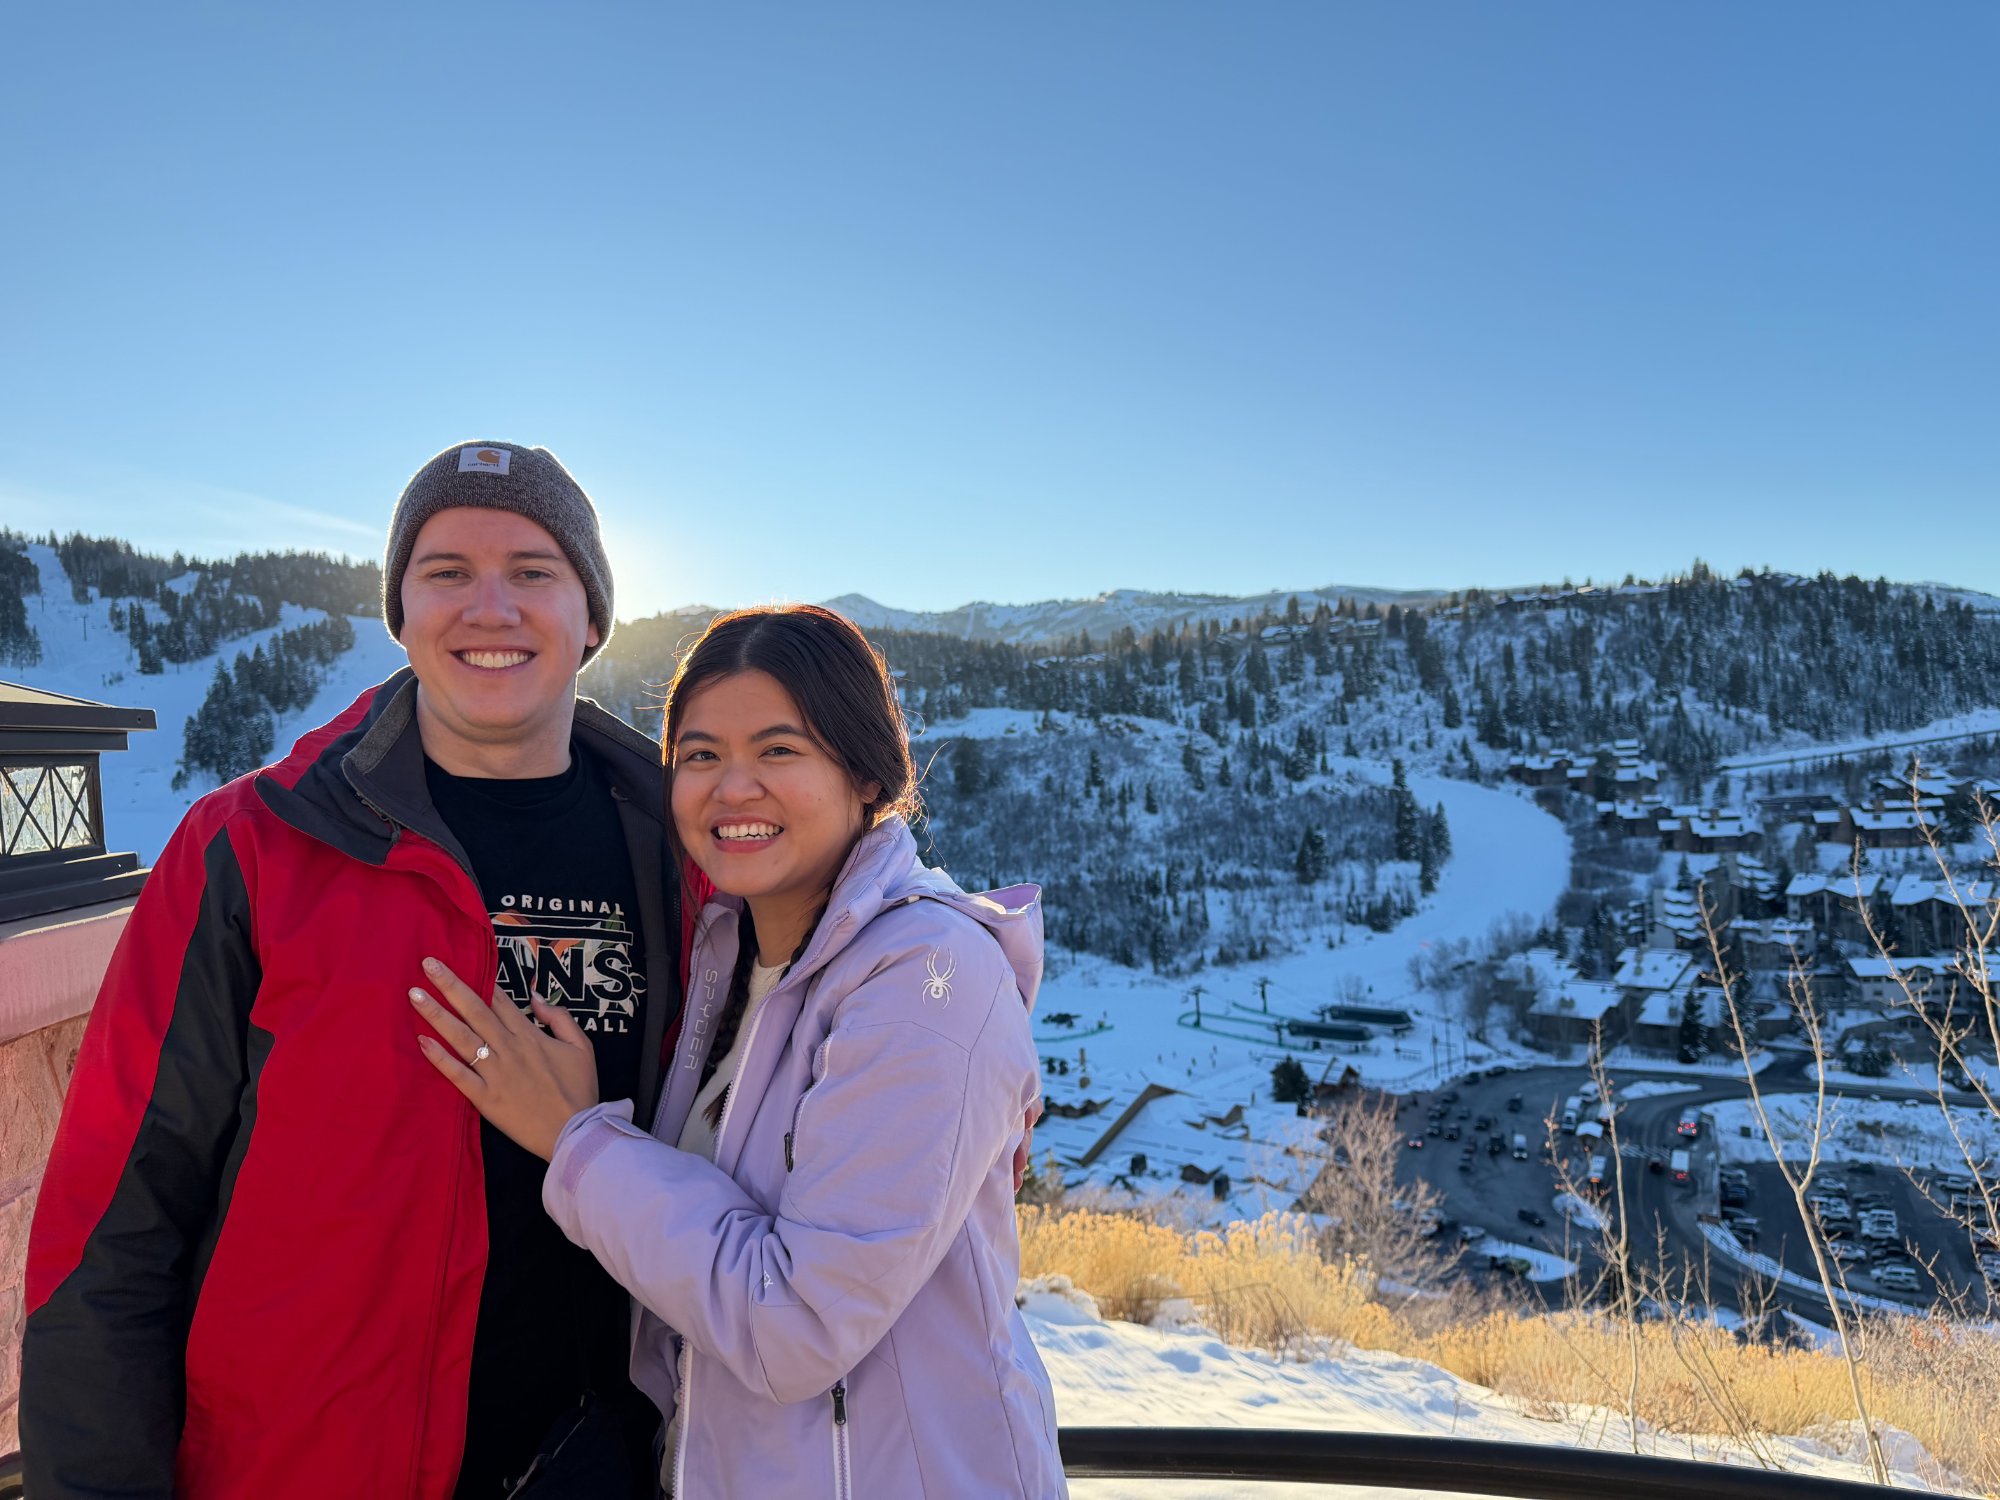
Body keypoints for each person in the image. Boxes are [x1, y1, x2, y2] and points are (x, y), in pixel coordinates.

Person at [22, 441, 701, 1499]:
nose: (490, 606)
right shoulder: (249, 848)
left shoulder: (683, 856)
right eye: (445, 572)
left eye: (532, 571)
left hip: (597, 1459)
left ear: (591, 616)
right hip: (301, 1465)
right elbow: (114, 1218)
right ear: (399, 613)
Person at [411, 604, 1067, 1497]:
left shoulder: (926, 978)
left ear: (866, 773)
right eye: (701, 755)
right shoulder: (730, 957)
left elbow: (792, 1324)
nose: (734, 788)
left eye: (780, 751)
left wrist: (576, 1139)